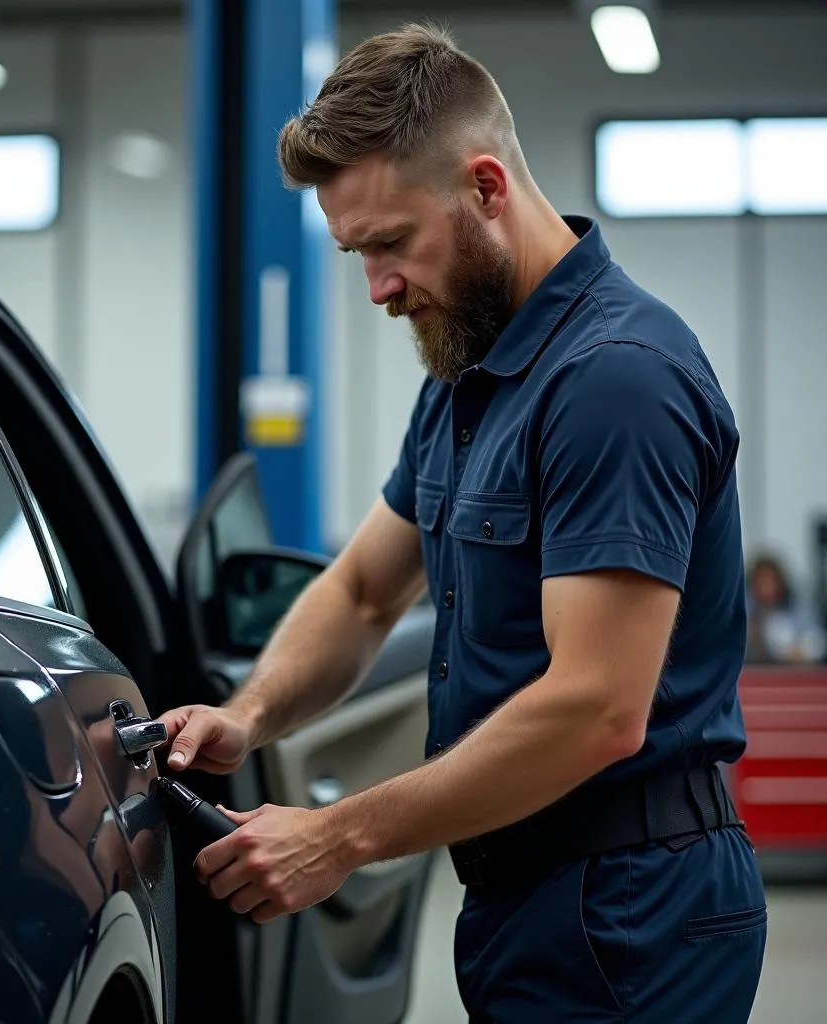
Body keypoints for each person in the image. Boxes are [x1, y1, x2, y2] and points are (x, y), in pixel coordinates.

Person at [159, 22, 767, 1022]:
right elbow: (360, 592)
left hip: (632, 912)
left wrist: (338, 834)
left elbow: (594, 708)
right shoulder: (468, 369)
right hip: (525, 894)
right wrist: (252, 712)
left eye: (392, 243)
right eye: (357, 253)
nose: (378, 288)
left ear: (486, 187)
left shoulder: (615, 380)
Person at [746, 551, 827, 664]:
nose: (765, 586)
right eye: (761, 580)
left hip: (792, 674)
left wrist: (800, 650)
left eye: (769, 580)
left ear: (779, 582)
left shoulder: (796, 609)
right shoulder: (746, 609)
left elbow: (819, 641)